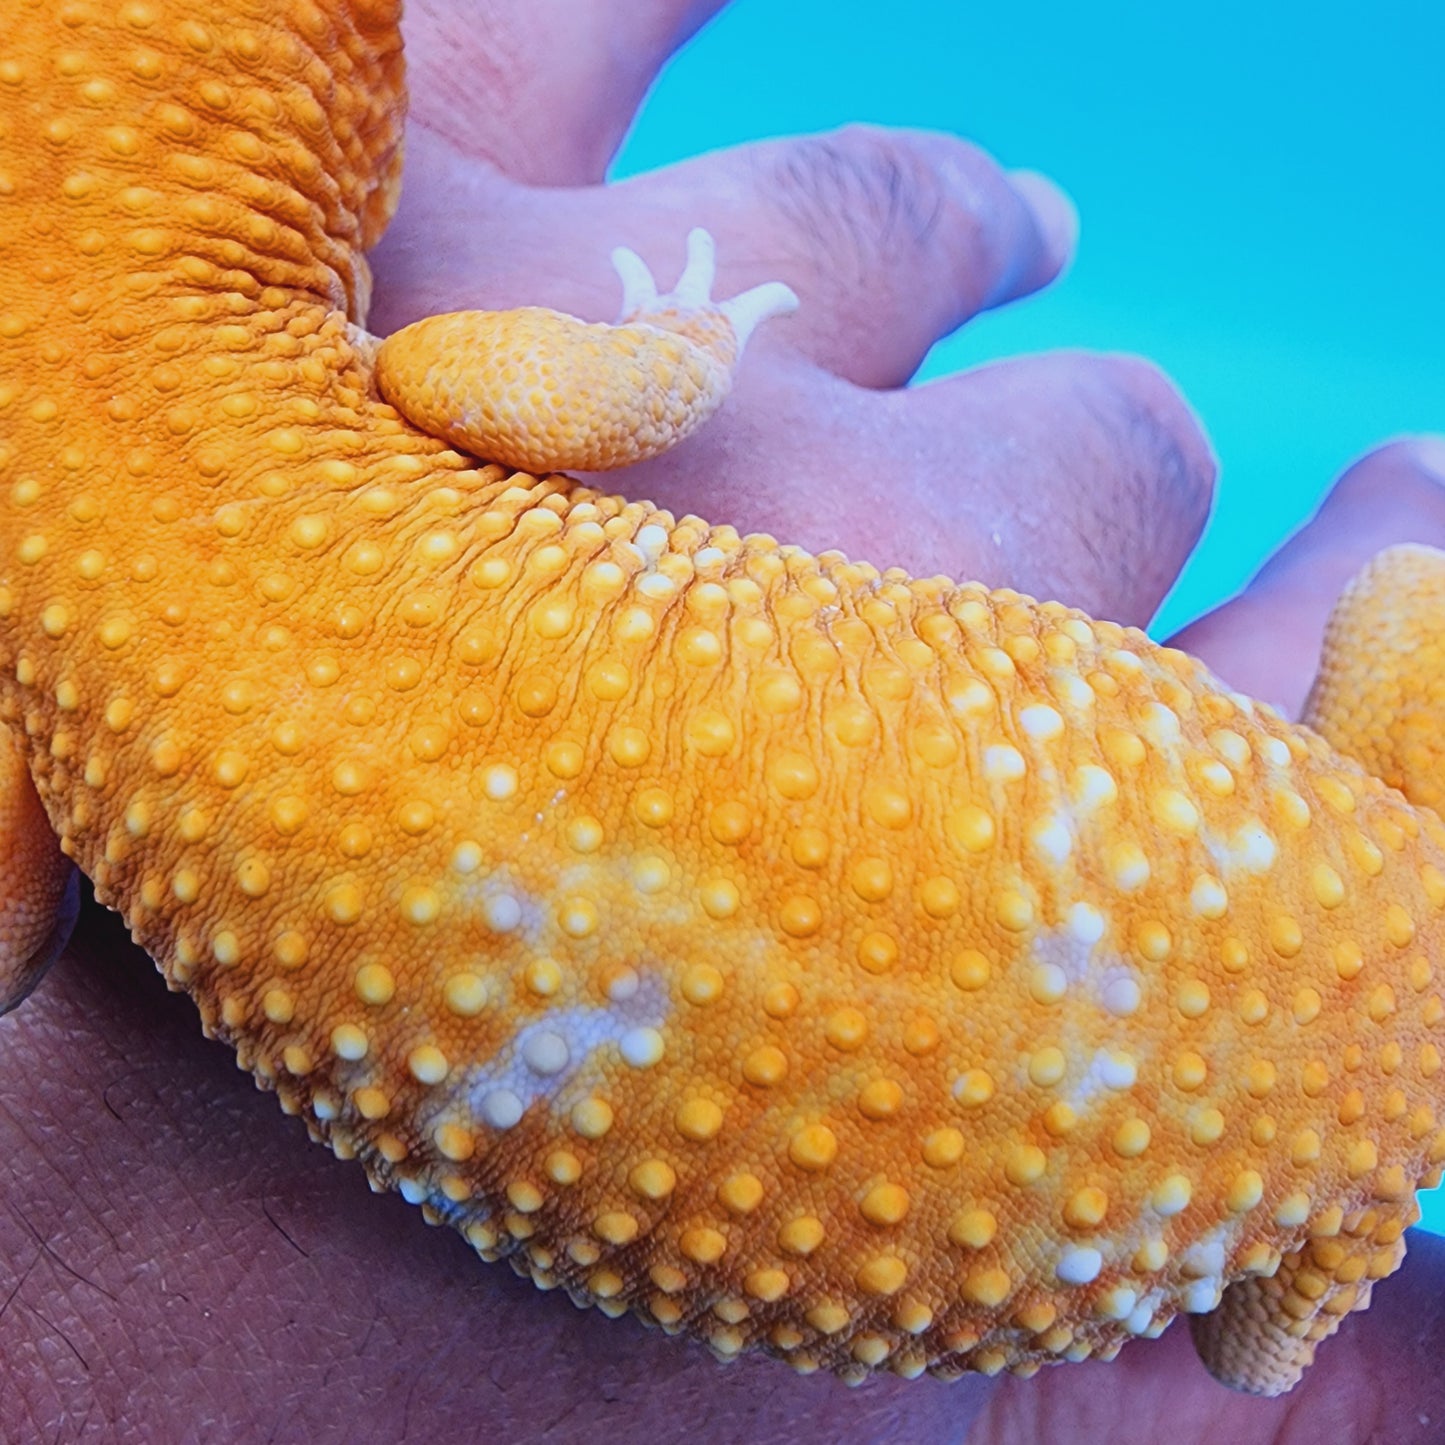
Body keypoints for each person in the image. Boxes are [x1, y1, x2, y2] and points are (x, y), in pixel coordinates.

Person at [4, 2, 1444, 1438]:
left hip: (1168, 1178)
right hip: (1236, 1134)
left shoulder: (41, 646)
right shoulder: (418, 375)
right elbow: (1256, 1353)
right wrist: (675, 346)